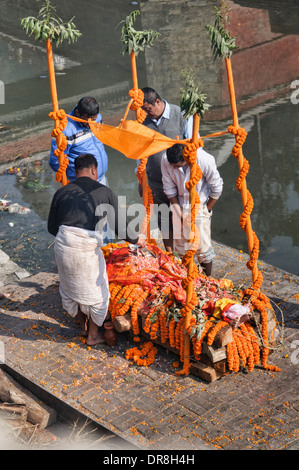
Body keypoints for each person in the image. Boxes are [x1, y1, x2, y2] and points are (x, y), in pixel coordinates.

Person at [48, 153, 146, 346]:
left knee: (70, 286)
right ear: (94, 170)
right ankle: (93, 335)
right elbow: (119, 228)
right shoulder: (105, 192)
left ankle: (82, 327)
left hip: (63, 245)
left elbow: (52, 228)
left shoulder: (62, 192)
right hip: (85, 249)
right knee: (98, 293)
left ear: (75, 172)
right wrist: (137, 238)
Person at [138, 87, 192, 252]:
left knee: (183, 216)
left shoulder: (180, 115)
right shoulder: (143, 122)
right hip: (155, 180)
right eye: (144, 111)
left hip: (180, 180)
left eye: (149, 109)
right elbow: (139, 152)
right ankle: (169, 253)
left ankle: (186, 254)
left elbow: (192, 146)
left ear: (158, 102)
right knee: (163, 218)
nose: (148, 113)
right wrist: (140, 178)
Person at [161, 143, 223, 276]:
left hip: (200, 204)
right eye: (174, 166)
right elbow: (169, 190)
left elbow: (217, 188)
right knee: (182, 249)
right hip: (179, 204)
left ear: (186, 159)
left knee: (203, 249)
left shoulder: (204, 159)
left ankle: (206, 280)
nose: (175, 168)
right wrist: (180, 215)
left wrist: (206, 209)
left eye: (178, 165)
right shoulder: (165, 160)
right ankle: (187, 278)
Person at [49, 96, 108, 185]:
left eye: (94, 120)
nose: (91, 124)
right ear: (77, 113)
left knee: (113, 198)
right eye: (88, 121)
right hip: (82, 184)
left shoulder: (97, 118)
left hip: (101, 177)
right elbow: (55, 161)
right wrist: (75, 178)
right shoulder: (65, 131)